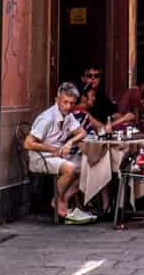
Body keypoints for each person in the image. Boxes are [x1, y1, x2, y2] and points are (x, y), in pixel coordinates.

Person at [25, 82, 97, 224]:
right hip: (41, 158)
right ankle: (59, 202)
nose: (68, 106)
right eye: (65, 102)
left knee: (87, 166)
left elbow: (82, 132)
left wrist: (70, 142)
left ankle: (60, 200)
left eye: (71, 103)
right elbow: (28, 143)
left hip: (57, 156)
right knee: (70, 169)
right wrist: (53, 149)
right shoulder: (47, 118)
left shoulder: (68, 115)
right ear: (57, 100)